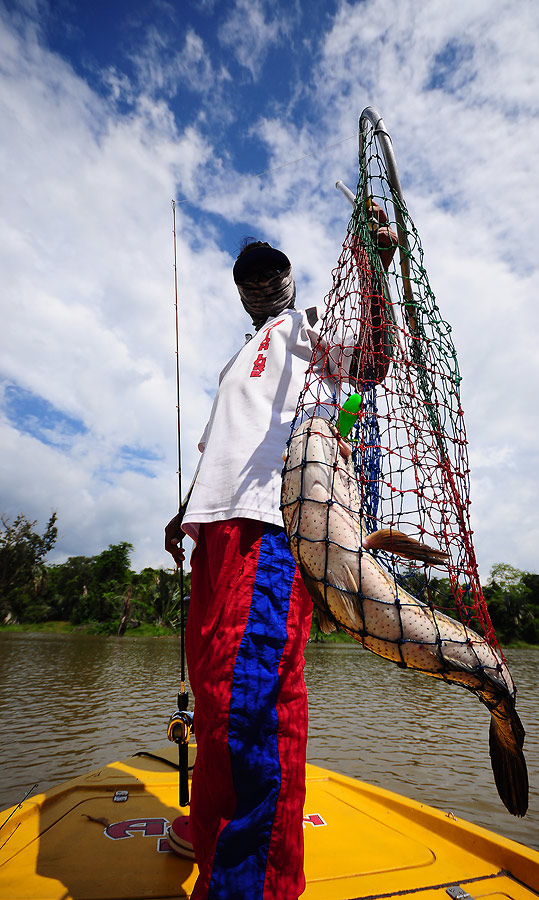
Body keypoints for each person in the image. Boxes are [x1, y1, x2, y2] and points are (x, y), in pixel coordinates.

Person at [164, 210, 396, 900]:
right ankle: (210, 833)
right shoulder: (235, 361)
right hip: (214, 534)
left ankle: (252, 883)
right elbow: (221, 450)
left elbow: (371, 361)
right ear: (241, 294)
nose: (260, 284)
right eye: (249, 279)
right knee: (213, 700)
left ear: (288, 284)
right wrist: (186, 511)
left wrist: (376, 268)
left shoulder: (311, 330)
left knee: (250, 701)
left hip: (274, 524)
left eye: (271, 274)